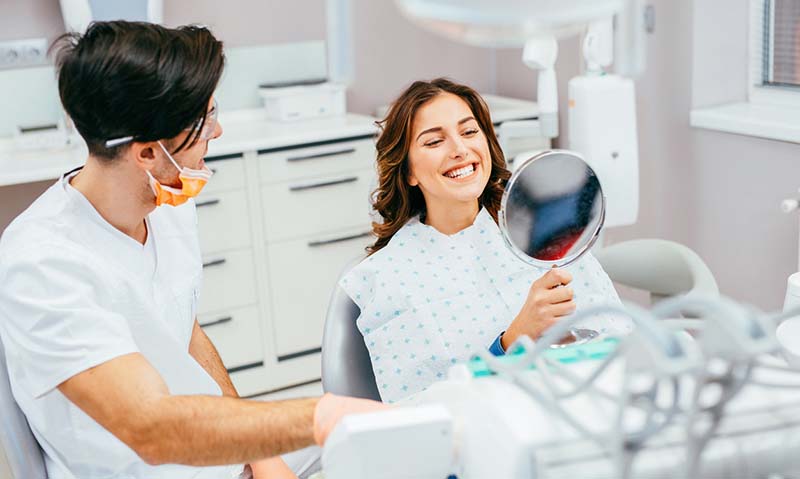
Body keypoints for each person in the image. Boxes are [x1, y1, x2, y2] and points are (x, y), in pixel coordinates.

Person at [0, 21, 383, 479]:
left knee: (395, 440)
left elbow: (184, 330)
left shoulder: (165, 202)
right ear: (146, 153)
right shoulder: (42, 264)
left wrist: (260, 456)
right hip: (147, 466)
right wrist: (323, 416)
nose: (217, 131)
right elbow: (152, 429)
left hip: (213, 455)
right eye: (203, 121)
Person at [340, 78, 632, 403]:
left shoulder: (546, 232)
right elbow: (422, 413)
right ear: (408, 171)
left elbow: (620, 340)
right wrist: (512, 341)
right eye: (435, 141)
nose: (460, 150)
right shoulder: (387, 278)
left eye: (469, 132)